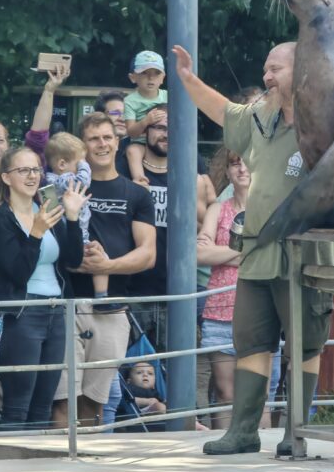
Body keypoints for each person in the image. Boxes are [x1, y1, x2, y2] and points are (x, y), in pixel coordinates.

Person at [172, 41, 334, 457]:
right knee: (251, 340)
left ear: (301, 71)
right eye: (265, 68)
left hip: (307, 254)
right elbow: (222, 111)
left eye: (276, 69)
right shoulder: (260, 117)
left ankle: (295, 433)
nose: (267, 77)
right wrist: (189, 80)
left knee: (303, 345)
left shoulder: (326, 120)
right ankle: (244, 431)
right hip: (259, 252)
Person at [52, 112, 156, 428]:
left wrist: (108, 266)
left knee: (95, 404)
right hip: (67, 305)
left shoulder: (137, 194)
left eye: (107, 137)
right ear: (82, 146)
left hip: (113, 309)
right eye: (94, 138)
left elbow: (148, 254)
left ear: (118, 141)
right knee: (62, 400)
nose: (102, 144)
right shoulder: (64, 187)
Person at [0, 147, 87, 428]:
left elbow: (73, 260)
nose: (32, 176)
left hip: (56, 310)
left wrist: (72, 218)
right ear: (6, 177)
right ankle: (11, 470)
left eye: (35, 169)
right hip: (22, 314)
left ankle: (34, 467)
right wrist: (35, 234)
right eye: (23, 170)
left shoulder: (46, 206)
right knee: (17, 406)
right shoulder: (1, 218)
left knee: (43, 405)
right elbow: (16, 272)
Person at [196, 148, 282, 430]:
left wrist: (227, 253)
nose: (242, 169)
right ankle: (225, 447)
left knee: (262, 393)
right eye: (235, 165)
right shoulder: (217, 209)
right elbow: (200, 254)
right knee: (225, 393)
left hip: (263, 312)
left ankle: (263, 452)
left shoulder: (273, 209)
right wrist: (247, 254)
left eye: (247, 164)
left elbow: (278, 253)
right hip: (220, 311)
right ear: (228, 171)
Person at [123, 105, 215, 349]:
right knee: (131, 373)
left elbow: (206, 226)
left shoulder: (189, 173)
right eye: (160, 127)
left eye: (173, 128)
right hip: (133, 289)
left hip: (176, 290)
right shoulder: (126, 168)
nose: (167, 134)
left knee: (172, 371)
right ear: (146, 130)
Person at [43, 132, 106, 297]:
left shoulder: (50, 179)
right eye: (79, 163)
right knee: (100, 257)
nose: (84, 166)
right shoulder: (63, 180)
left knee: (99, 255)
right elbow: (83, 182)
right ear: (62, 164)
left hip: (78, 231)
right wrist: (85, 165)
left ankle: (101, 294)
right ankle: (102, 294)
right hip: (71, 230)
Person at [123, 51, 168, 186]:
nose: (151, 78)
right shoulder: (130, 101)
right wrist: (146, 121)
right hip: (141, 141)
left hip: (167, 139)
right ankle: (140, 180)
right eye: (144, 73)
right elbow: (131, 132)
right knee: (132, 151)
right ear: (133, 77)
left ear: (163, 78)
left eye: (156, 73)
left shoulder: (169, 96)